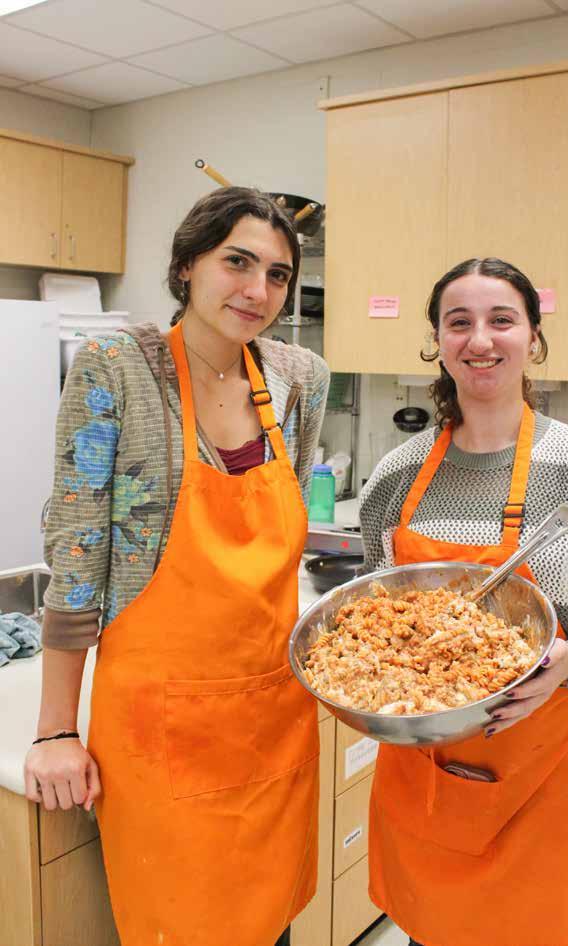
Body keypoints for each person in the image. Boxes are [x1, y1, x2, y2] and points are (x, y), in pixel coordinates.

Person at [24, 186, 330, 946]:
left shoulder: (299, 378)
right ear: (188, 264)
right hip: (160, 729)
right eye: (238, 262)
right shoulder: (118, 369)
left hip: (274, 717)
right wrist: (56, 729)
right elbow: (78, 553)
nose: (258, 290)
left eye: (279, 274)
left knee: (272, 925)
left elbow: (285, 520)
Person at [359, 257, 568, 946]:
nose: (480, 339)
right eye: (459, 322)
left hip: (538, 770)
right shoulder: (396, 474)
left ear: (533, 338)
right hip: (424, 767)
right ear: (438, 340)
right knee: (429, 928)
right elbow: (371, 615)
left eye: (502, 320)